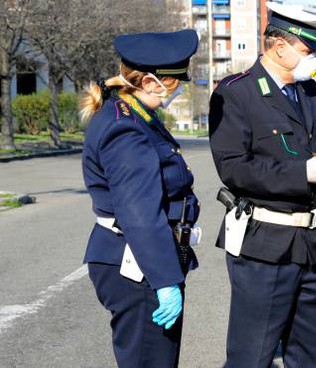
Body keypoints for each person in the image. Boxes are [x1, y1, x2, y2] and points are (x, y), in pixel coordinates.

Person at [209, 2, 316, 367]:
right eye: (307, 50)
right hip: (266, 246)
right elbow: (234, 169)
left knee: (312, 355)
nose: (313, 58)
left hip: (314, 245)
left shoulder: (310, 92)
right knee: (252, 356)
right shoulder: (236, 93)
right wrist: (302, 173)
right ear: (279, 46)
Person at [80, 29, 200, 368]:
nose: (177, 91)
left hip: (145, 260)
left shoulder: (138, 118)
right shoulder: (126, 128)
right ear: (149, 82)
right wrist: (165, 281)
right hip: (139, 267)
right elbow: (140, 213)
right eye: (175, 84)